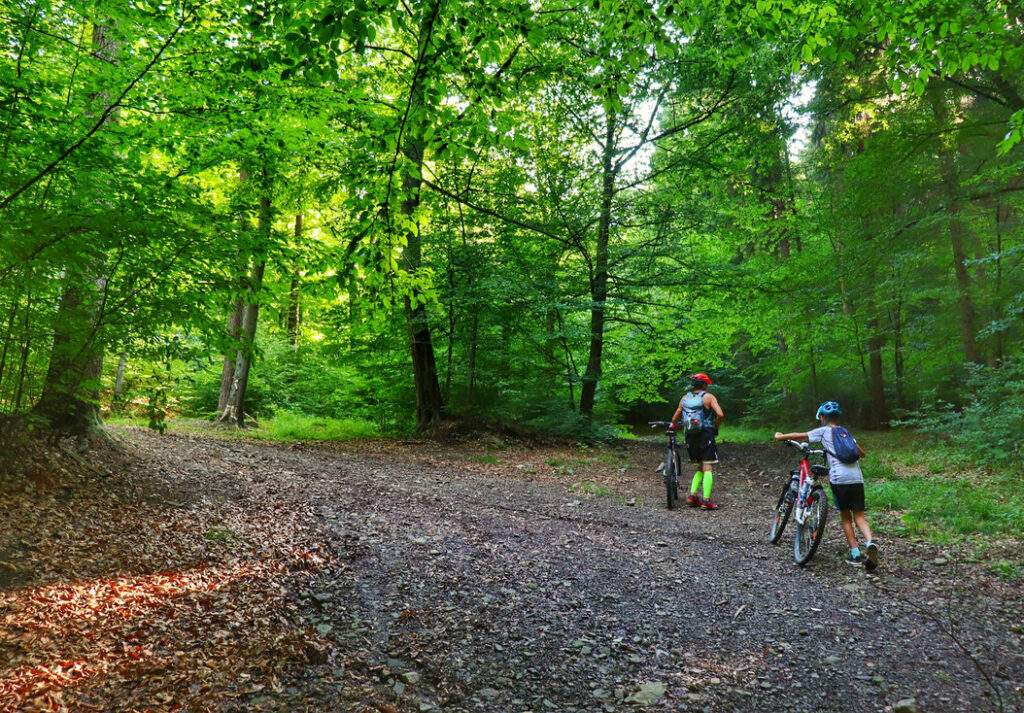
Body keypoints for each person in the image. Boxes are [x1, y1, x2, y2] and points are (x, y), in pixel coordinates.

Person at [773, 400, 880, 570]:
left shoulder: (823, 431)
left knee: (846, 518)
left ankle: (855, 553)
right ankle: (870, 542)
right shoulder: (845, 432)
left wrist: (780, 436)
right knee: (859, 516)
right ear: (837, 417)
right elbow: (861, 453)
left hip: (840, 479)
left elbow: (798, 435)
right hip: (856, 478)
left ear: (822, 417)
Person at [671, 373, 725, 510]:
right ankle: (706, 501)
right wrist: (715, 427)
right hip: (705, 434)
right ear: (705, 385)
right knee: (707, 467)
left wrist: (674, 426)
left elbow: (676, 417)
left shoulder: (685, 398)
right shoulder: (708, 397)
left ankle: (692, 496)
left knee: (699, 467)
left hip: (690, 435)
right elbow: (720, 414)